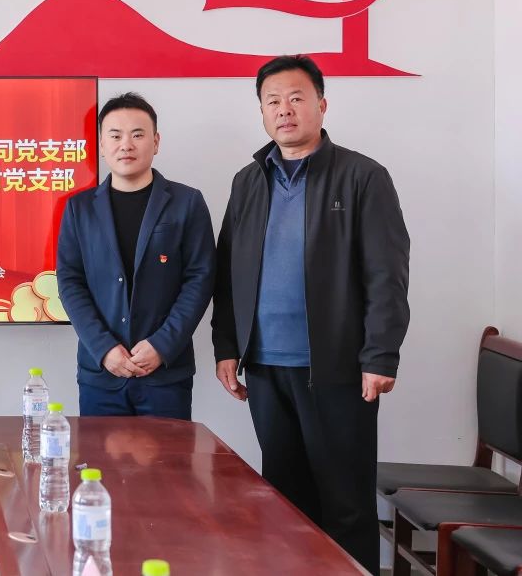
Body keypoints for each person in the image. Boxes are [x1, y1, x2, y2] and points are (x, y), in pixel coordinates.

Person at [211, 55, 410, 575]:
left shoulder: (363, 176)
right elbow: (228, 271)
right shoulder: (247, 182)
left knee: (345, 504)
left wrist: (380, 355)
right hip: (265, 366)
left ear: (321, 105)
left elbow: (387, 274)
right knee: (282, 501)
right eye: (273, 101)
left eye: (296, 98)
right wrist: (226, 346)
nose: (285, 109)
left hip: (338, 369)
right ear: (261, 112)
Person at [56, 92, 216, 419]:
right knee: (99, 455)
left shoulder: (187, 203)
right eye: (115, 136)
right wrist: (103, 348)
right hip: (102, 374)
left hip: (165, 374)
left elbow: (200, 280)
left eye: (138, 135)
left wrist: (162, 345)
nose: (126, 145)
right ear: (102, 145)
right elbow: (70, 283)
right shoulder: (78, 209)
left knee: (167, 455)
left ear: (155, 142)